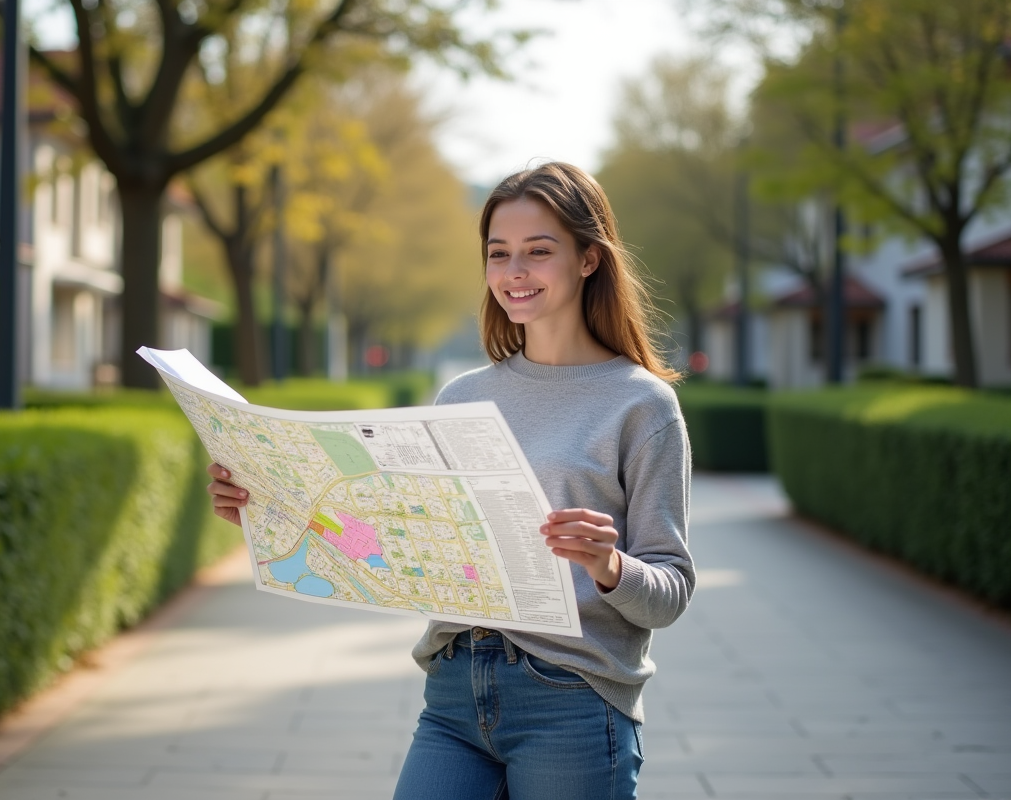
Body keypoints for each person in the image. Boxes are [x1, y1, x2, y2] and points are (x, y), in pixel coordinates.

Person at [207, 161, 694, 800]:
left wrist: (609, 566)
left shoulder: (642, 405)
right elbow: (400, 545)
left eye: (538, 251)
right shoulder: (461, 398)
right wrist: (274, 506)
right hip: (454, 694)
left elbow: (670, 591)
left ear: (588, 259)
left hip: (572, 700)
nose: (514, 271)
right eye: (498, 253)